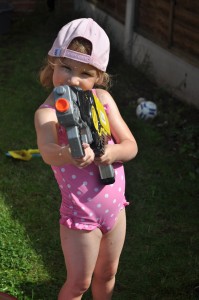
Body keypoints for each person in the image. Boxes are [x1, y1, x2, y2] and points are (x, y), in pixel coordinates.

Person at [34, 18, 138, 300]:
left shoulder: (103, 100)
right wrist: (68, 153)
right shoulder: (49, 113)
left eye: (85, 73)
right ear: (53, 62)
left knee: (107, 274)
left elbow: (130, 146)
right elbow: (47, 152)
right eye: (66, 67)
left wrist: (110, 152)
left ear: (98, 78)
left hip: (115, 209)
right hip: (81, 216)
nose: (73, 79)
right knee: (79, 283)